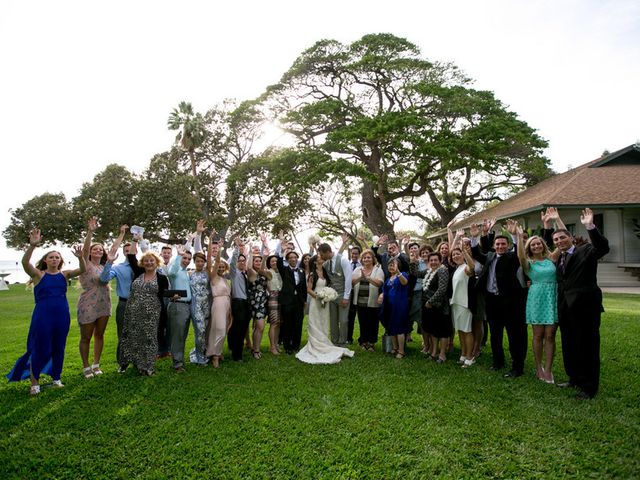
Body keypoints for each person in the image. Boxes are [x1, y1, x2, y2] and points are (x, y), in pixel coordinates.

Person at [7, 229, 85, 395]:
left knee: (59, 347)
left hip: (61, 316)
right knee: (39, 347)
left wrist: (81, 258)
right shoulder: (38, 275)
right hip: (42, 316)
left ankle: (56, 378)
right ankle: (34, 382)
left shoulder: (65, 275)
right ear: (45, 260)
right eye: (51, 257)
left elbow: (82, 270)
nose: (54, 259)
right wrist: (32, 246)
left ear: (60, 260)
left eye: (57, 257)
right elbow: (25, 263)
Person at [552, 208, 609, 399]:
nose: (560, 241)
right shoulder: (559, 257)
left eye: (562, 238)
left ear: (571, 238)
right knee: (569, 344)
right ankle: (574, 378)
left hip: (585, 308)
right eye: (556, 240)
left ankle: (589, 386)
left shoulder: (586, 251)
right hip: (566, 309)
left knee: (588, 347)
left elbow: (603, 248)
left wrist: (590, 226)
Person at [471, 220, 528, 377]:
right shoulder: (489, 256)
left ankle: (517, 367)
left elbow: (519, 253)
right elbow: (476, 254)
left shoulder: (512, 257)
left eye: (503, 244)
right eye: (498, 244)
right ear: (494, 246)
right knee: (495, 334)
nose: (500, 246)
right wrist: (475, 238)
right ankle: (498, 362)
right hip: (492, 301)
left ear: (508, 245)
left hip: (510, 303)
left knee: (513, 335)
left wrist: (514, 235)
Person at [77, 219, 125, 378]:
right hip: (88, 303)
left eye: (100, 249)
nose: (98, 251)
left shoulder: (105, 266)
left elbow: (114, 249)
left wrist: (121, 234)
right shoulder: (86, 264)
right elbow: (84, 250)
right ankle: (86, 367)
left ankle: (96, 364)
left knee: (100, 334)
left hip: (104, 303)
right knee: (86, 337)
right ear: (90, 252)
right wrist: (90, 232)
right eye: (95, 249)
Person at [516, 219, 559, 383]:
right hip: (536, 298)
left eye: (538, 244)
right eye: (532, 245)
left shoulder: (551, 259)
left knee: (550, 335)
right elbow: (520, 255)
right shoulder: (529, 264)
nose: (536, 246)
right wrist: (520, 237)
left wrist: (557, 220)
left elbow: (563, 241)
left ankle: (548, 369)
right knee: (538, 335)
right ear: (530, 248)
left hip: (552, 297)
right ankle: (538, 367)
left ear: (542, 245)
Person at [119, 244, 169, 375]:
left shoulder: (162, 278)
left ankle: (148, 367)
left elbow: (165, 295)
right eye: (146, 261)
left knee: (149, 338)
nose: (149, 263)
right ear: (142, 263)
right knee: (132, 336)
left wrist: (174, 297)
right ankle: (130, 363)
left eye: (152, 260)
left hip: (151, 314)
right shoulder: (138, 273)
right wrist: (135, 240)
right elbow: (130, 256)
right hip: (133, 311)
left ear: (157, 262)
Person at [296, 255, 354, 364]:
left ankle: (325, 343)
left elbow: (334, 257)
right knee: (316, 323)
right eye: (319, 257)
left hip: (325, 303)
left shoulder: (325, 272)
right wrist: (319, 297)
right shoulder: (312, 274)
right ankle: (316, 345)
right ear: (314, 262)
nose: (321, 258)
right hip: (316, 301)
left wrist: (328, 295)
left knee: (324, 322)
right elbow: (308, 290)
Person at [100, 237, 134, 365]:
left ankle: (138, 361)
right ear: (124, 252)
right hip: (124, 303)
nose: (129, 252)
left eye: (131, 250)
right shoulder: (118, 268)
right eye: (126, 251)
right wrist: (109, 262)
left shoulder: (143, 265)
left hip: (140, 304)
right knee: (123, 335)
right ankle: (123, 363)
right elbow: (104, 279)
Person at [412, 252, 451, 363]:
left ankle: (442, 354)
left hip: (440, 306)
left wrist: (431, 301)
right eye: (431, 260)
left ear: (440, 261)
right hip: (428, 306)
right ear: (429, 262)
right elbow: (416, 273)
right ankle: (434, 352)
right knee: (433, 329)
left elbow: (442, 289)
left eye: (435, 260)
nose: (433, 262)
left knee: (442, 330)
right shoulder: (429, 271)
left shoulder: (442, 270)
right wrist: (413, 261)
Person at [318, 243, 353, 346]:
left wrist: (346, 297)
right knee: (333, 321)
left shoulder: (343, 260)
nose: (321, 257)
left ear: (328, 252)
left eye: (322, 254)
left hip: (343, 294)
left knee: (343, 320)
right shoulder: (326, 264)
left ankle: (342, 343)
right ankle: (334, 342)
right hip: (331, 295)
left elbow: (348, 279)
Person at [449, 245, 477, 368]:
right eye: (453, 254)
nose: (455, 256)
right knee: (460, 330)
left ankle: (470, 357)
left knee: (467, 331)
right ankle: (463, 354)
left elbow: (472, 267)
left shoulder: (466, 267)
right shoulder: (457, 269)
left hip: (464, 304)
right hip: (456, 303)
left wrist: (465, 252)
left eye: (458, 253)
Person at [206, 237, 232, 368]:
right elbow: (213, 261)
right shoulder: (214, 277)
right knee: (219, 329)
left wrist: (230, 311)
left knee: (224, 329)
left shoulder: (225, 280)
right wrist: (218, 247)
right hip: (218, 304)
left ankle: (218, 351)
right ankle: (214, 356)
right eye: (219, 266)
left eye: (223, 266)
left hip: (227, 305)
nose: (220, 267)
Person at [351, 249, 384, 351]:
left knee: (373, 323)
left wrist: (368, 278)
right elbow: (352, 283)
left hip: (373, 302)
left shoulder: (378, 270)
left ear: (373, 259)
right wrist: (360, 278)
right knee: (363, 322)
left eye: (369, 257)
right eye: (364, 258)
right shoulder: (357, 270)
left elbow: (379, 283)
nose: (366, 259)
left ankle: (371, 343)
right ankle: (364, 341)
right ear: (362, 260)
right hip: (360, 301)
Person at [167, 245, 193, 372]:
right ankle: (177, 364)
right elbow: (171, 273)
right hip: (178, 305)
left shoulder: (186, 273)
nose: (187, 260)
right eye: (185, 258)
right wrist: (178, 255)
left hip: (187, 306)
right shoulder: (175, 270)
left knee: (182, 335)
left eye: (189, 259)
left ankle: (180, 360)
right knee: (177, 336)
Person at [277, 247, 307, 354]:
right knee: (287, 324)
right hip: (287, 301)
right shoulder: (284, 270)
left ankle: (296, 345)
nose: (293, 259)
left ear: (297, 259)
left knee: (298, 324)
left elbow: (303, 287)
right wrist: (282, 250)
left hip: (298, 302)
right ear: (288, 260)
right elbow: (279, 263)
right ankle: (287, 346)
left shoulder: (301, 271)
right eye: (291, 258)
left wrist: (304, 301)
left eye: (295, 257)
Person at [379, 258, 410, 359]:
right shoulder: (388, 279)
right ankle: (395, 348)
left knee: (399, 327)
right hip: (389, 306)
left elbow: (405, 283)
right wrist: (382, 295)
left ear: (398, 266)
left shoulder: (403, 275)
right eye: (390, 265)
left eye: (393, 264)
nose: (391, 266)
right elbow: (385, 290)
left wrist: (398, 273)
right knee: (391, 327)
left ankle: (401, 351)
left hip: (400, 306)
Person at [228, 237, 251, 361]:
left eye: (243, 261)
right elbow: (232, 263)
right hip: (238, 303)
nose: (241, 262)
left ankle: (234, 347)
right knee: (238, 329)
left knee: (243, 328)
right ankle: (237, 355)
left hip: (246, 304)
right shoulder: (234, 273)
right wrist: (237, 247)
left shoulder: (246, 274)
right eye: (239, 261)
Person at [263, 254, 283, 355]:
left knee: (279, 323)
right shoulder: (269, 272)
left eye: (276, 261)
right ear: (269, 263)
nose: (275, 263)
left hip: (281, 298)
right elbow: (261, 271)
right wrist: (265, 257)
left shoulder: (280, 272)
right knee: (274, 323)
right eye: (272, 261)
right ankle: (272, 346)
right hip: (273, 298)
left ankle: (276, 344)